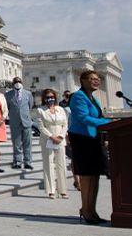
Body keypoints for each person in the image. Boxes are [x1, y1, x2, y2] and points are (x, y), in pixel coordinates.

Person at [69, 69, 111, 224]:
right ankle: (86, 210)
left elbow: (98, 116)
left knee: (95, 175)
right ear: (83, 81)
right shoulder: (78, 96)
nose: (97, 81)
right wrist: (108, 123)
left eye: (98, 79)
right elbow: (83, 117)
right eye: (93, 79)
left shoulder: (93, 98)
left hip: (93, 138)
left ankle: (92, 210)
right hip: (82, 139)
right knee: (87, 175)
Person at [35, 88, 69, 199]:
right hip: (47, 139)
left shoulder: (60, 109)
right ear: (44, 98)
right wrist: (51, 136)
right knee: (48, 164)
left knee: (61, 164)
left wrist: (61, 136)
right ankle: (51, 190)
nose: (50, 99)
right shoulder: (41, 110)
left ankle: (63, 190)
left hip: (60, 139)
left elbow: (65, 124)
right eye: (48, 97)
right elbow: (41, 127)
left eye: (52, 97)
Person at [5, 76, 34, 169]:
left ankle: (28, 161)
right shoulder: (8, 95)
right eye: (15, 82)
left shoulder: (28, 93)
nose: (17, 83)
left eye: (19, 81)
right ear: (13, 83)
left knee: (27, 143)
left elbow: (30, 106)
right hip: (15, 121)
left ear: (22, 82)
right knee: (16, 143)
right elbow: (7, 107)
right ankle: (17, 161)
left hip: (26, 121)